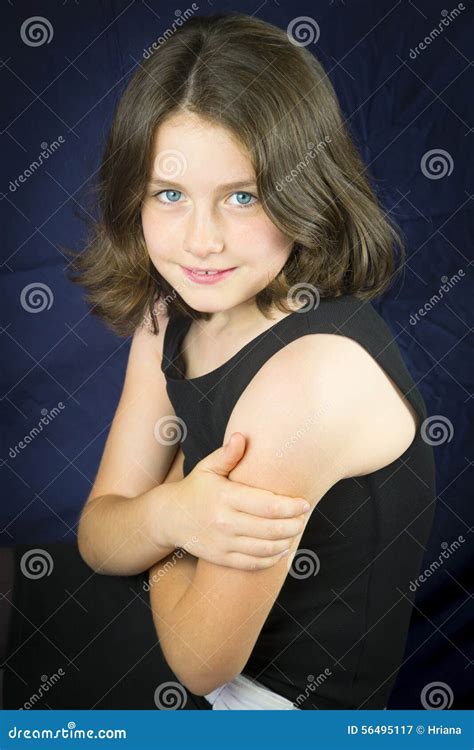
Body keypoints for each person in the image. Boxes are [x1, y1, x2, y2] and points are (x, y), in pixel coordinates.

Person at [2, 12, 436, 710]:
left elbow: (200, 661)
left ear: (305, 191)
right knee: (34, 615)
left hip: (266, 712)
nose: (201, 241)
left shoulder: (311, 380)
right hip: (179, 646)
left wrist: (157, 515)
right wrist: (176, 512)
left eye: (242, 196)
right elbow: (97, 535)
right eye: (169, 195)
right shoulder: (169, 315)